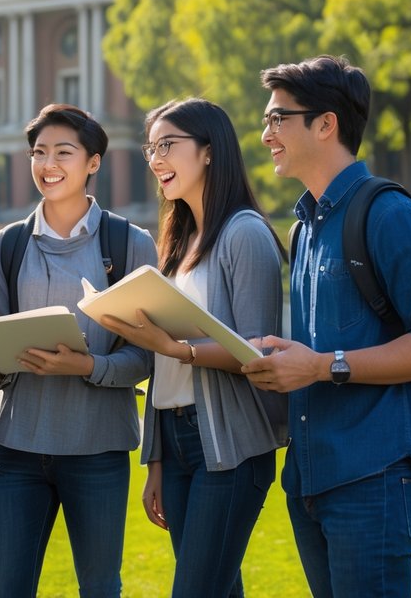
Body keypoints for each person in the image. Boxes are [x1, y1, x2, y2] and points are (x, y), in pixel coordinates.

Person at [243, 56, 411, 598]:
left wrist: (323, 366)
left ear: (326, 124)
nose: (265, 133)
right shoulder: (304, 229)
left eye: (279, 119)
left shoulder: (390, 216)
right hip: (308, 478)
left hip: (375, 477)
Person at [94, 98, 287, 597]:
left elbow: (259, 354)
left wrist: (179, 349)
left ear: (208, 151)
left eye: (168, 145)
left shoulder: (244, 234)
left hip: (228, 444)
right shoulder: (178, 243)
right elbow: (162, 371)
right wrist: (157, 459)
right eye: (150, 148)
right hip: (177, 443)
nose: (155, 159)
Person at [0, 103, 157, 598]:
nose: (47, 164)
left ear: (93, 162)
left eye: (63, 152)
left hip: (98, 451)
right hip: (17, 450)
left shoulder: (131, 245)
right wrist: (1, 363)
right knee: (8, 589)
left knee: (100, 588)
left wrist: (88, 366)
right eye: (38, 152)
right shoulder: (3, 248)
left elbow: (147, 356)